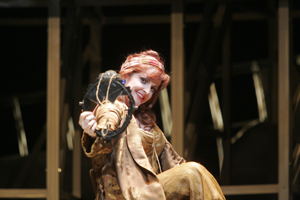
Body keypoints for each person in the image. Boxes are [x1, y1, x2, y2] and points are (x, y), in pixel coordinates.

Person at [79, 49, 226, 200]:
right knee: (193, 172)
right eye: (143, 80)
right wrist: (94, 133)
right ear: (126, 76)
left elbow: (176, 165)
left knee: (196, 174)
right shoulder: (112, 107)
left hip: (148, 191)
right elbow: (106, 130)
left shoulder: (146, 122)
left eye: (153, 88)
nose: (147, 91)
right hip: (122, 194)